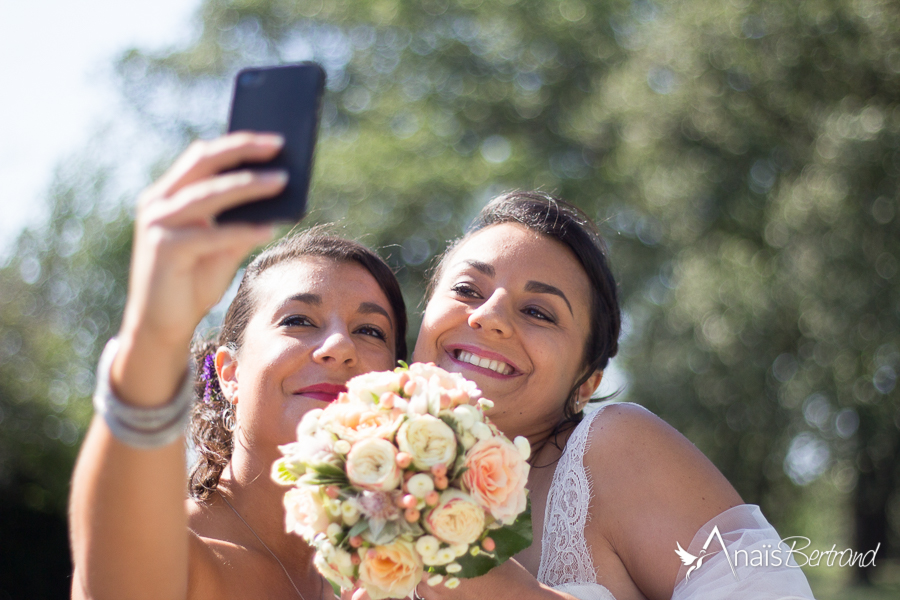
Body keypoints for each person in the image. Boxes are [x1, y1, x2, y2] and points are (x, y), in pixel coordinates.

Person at [409, 191, 815, 600]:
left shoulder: (611, 451)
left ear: (585, 385)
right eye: (466, 289)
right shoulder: (358, 481)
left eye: (538, 312)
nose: (490, 316)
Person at [68, 132, 408, 600]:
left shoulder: (387, 575)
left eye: (370, 331)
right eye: (298, 320)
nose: (338, 346)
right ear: (229, 373)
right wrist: (155, 334)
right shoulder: (178, 554)